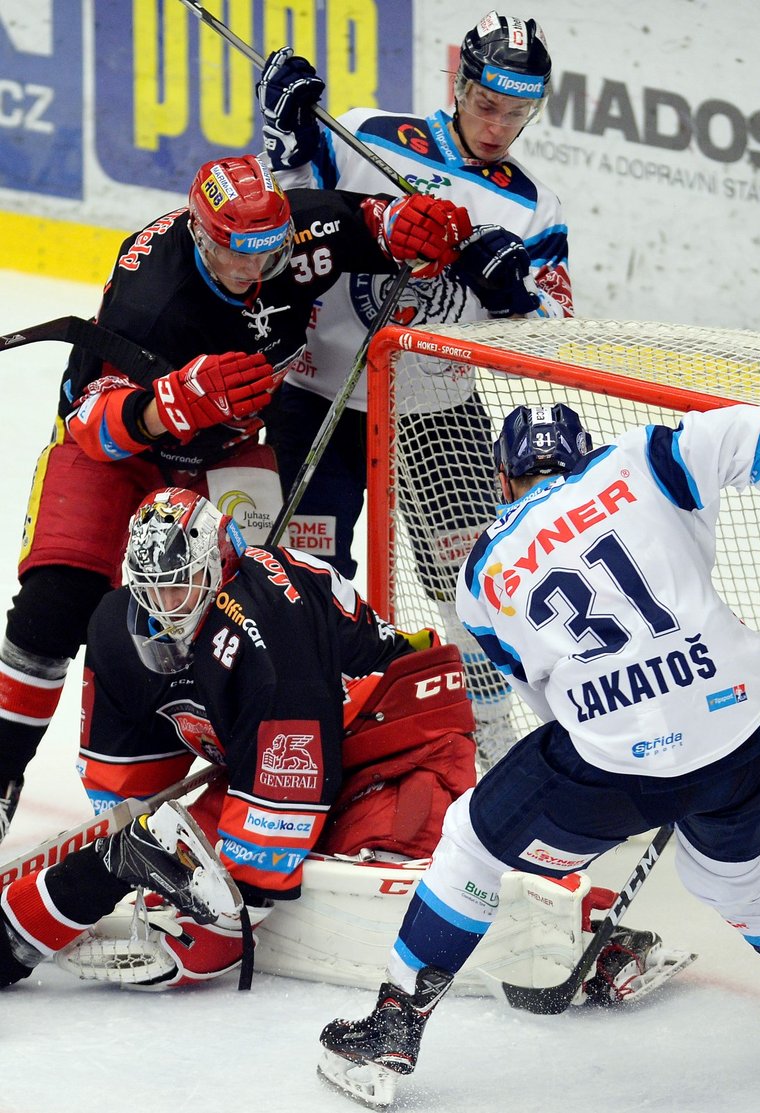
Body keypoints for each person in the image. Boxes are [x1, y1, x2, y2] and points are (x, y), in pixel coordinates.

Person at [316, 401, 760, 1106]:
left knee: (472, 840)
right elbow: (757, 427)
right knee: (729, 874)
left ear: (504, 479)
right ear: (583, 451)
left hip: (614, 767)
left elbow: (548, 705)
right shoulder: (639, 459)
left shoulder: (481, 571)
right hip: (746, 734)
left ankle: (394, 1023)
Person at [0, 153, 478, 842]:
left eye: (267, 251)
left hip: (226, 449)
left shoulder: (300, 228)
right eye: (233, 254)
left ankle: (253, 767)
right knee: (55, 603)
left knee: (260, 607)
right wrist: (172, 402)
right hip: (123, 450)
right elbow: (90, 423)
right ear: (200, 235)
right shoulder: (152, 295)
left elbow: (372, 221)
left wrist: (412, 225)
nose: (253, 271)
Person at [255, 11, 573, 766]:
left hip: (439, 409)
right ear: (457, 83)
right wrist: (285, 144)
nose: (499, 127)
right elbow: (278, 226)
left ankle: (489, 744)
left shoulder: (533, 208)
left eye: (518, 112)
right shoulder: (367, 135)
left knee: (479, 579)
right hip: (317, 392)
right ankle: (311, 731)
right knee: (306, 578)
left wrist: (512, 294)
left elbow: (555, 333)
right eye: (488, 104)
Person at [0, 487, 477, 989]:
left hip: (398, 743)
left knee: (385, 858)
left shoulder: (270, 633)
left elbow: (244, 893)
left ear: (217, 566)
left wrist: (226, 918)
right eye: (151, 589)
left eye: (178, 587)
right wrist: (126, 848)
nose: (165, 608)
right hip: (265, 752)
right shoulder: (120, 625)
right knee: (169, 858)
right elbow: (129, 795)